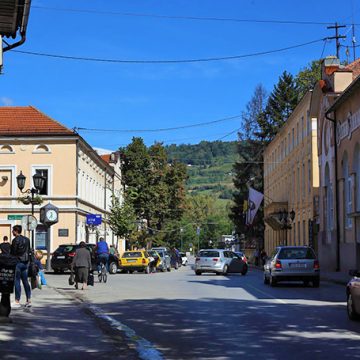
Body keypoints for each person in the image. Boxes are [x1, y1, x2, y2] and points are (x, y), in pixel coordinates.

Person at [10, 225, 31, 308]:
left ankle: (17, 300)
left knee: (17, 281)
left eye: (13, 231)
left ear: (16, 231)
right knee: (26, 281)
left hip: (17, 263)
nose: (12, 232)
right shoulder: (27, 240)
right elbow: (29, 250)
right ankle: (28, 300)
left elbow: (13, 253)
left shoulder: (15, 240)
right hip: (26, 263)